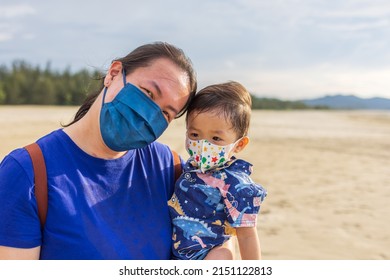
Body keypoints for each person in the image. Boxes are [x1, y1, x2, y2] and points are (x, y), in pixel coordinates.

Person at [0, 42, 197, 260]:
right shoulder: (27, 173)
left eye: (166, 113)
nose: (149, 115)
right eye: (148, 93)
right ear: (113, 74)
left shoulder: (171, 170)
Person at [168, 81, 267, 260]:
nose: (204, 145)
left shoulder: (236, 183)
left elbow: (247, 235)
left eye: (216, 138)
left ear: (239, 144)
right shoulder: (190, 168)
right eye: (195, 135)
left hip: (210, 255)